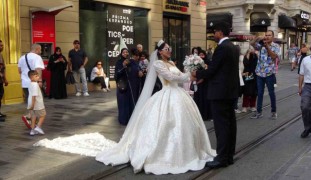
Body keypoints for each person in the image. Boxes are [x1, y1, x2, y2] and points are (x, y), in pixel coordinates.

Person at [34, 40, 215, 175]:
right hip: (167, 95)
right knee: (164, 125)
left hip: (179, 96)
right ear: (160, 52)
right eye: (166, 49)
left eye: (169, 48)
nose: (169, 50)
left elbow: (180, 74)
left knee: (183, 125)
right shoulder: (159, 64)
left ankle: (188, 150)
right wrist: (189, 76)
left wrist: (193, 71)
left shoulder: (172, 62)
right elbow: (172, 78)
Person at [192, 22, 239, 168]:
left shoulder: (222, 48)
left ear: (220, 32)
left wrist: (197, 73)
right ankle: (229, 155)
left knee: (221, 126)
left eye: (215, 32)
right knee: (230, 124)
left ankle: (221, 158)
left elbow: (213, 70)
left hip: (220, 93)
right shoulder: (233, 47)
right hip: (231, 92)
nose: (214, 35)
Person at [250, 30, 281, 120]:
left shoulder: (276, 46)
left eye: (269, 35)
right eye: (266, 35)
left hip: (269, 73)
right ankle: (259, 112)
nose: (267, 37)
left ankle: (273, 112)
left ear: (273, 37)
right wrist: (257, 38)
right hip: (259, 72)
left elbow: (274, 57)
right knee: (259, 93)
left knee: (271, 93)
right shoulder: (260, 45)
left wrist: (267, 47)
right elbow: (252, 44)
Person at [18, 43, 44, 129]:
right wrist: (40, 80)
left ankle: (32, 120)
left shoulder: (22, 57)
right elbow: (38, 69)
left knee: (30, 101)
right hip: (33, 83)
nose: (40, 52)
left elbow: (19, 70)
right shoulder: (37, 57)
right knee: (37, 101)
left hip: (25, 83)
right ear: (36, 49)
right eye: (40, 50)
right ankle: (29, 116)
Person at [115, 48, 143, 125]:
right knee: (123, 104)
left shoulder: (131, 62)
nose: (125, 53)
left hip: (130, 87)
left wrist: (140, 72)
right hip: (123, 86)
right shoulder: (119, 62)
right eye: (123, 52)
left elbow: (137, 70)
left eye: (127, 52)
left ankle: (130, 120)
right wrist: (124, 66)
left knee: (130, 103)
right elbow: (117, 74)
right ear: (121, 53)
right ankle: (123, 120)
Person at [193, 50, 211, 120]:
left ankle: (206, 115)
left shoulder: (207, 62)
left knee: (204, 99)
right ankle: (198, 116)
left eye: (202, 55)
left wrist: (202, 79)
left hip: (205, 84)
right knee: (198, 98)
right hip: (198, 84)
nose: (201, 56)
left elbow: (207, 73)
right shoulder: (195, 63)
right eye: (200, 55)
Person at [27, 70, 46, 136]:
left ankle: (32, 130)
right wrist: (33, 105)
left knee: (33, 116)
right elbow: (34, 96)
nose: (38, 77)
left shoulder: (30, 83)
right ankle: (38, 127)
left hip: (30, 103)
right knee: (43, 115)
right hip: (37, 103)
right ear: (31, 77)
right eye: (36, 76)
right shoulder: (35, 85)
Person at [242, 48, 258, 113]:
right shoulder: (245, 57)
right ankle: (245, 106)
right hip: (247, 74)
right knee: (246, 91)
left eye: (252, 50)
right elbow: (245, 64)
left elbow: (256, 64)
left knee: (254, 91)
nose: (251, 51)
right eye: (250, 51)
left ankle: (252, 106)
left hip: (254, 75)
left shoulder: (256, 57)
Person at [0, 40, 8, 121]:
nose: (2, 47)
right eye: (0, 45)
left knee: (0, 96)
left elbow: (3, 68)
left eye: (2, 45)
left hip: (0, 81)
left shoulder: (1, 55)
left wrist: (5, 79)